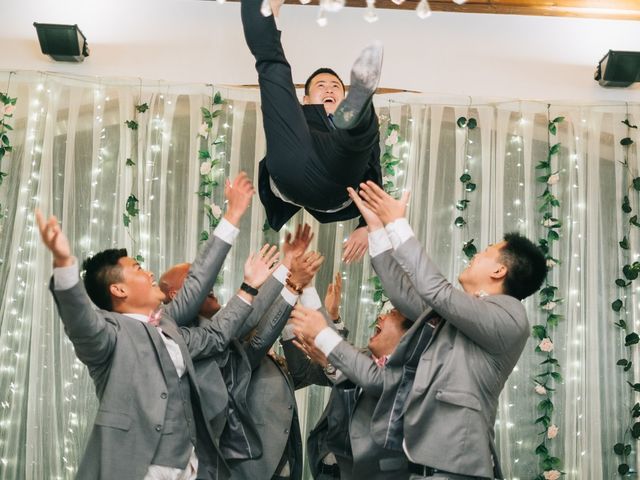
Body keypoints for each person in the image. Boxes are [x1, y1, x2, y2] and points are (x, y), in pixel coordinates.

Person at [293, 181, 547, 480]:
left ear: (499, 271)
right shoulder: (457, 315)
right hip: (414, 468)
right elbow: (404, 293)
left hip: (456, 469)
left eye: (486, 253)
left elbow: (436, 291)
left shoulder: (510, 317)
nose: (475, 256)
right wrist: (376, 229)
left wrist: (397, 224)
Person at [36, 173, 273, 480]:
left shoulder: (169, 327)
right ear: (118, 290)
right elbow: (78, 319)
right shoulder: (108, 334)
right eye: (137, 268)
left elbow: (214, 331)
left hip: (192, 468)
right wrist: (64, 264)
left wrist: (247, 277)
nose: (149, 273)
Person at [240, 0, 384, 263]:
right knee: (272, 68)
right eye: (321, 85)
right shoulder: (298, 112)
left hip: (337, 179)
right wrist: (273, 14)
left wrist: (366, 224)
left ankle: (361, 105)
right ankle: (264, 9)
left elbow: (373, 172)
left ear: (342, 98)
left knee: (361, 139)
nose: (329, 89)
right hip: (294, 163)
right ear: (305, 100)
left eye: (335, 86)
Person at [292, 306, 415, 480]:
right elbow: (337, 353)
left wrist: (331, 364)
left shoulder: (410, 376)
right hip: (328, 470)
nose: (380, 316)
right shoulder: (363, 355)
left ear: (408, 335)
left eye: (392, 313)